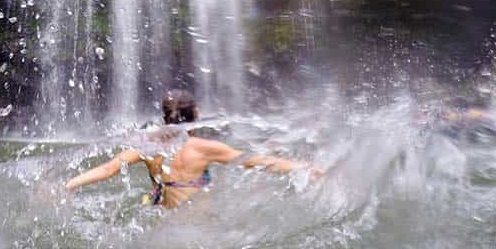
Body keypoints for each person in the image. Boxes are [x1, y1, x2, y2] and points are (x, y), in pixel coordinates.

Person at [64, 90, 322, 208]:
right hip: (196, 222)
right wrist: (305, 168)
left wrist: (66, 186)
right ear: (196, 115)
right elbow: (255, 161)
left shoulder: (146, 145)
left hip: (161, 216)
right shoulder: (204, 147)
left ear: (164, 115)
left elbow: (108, 169)